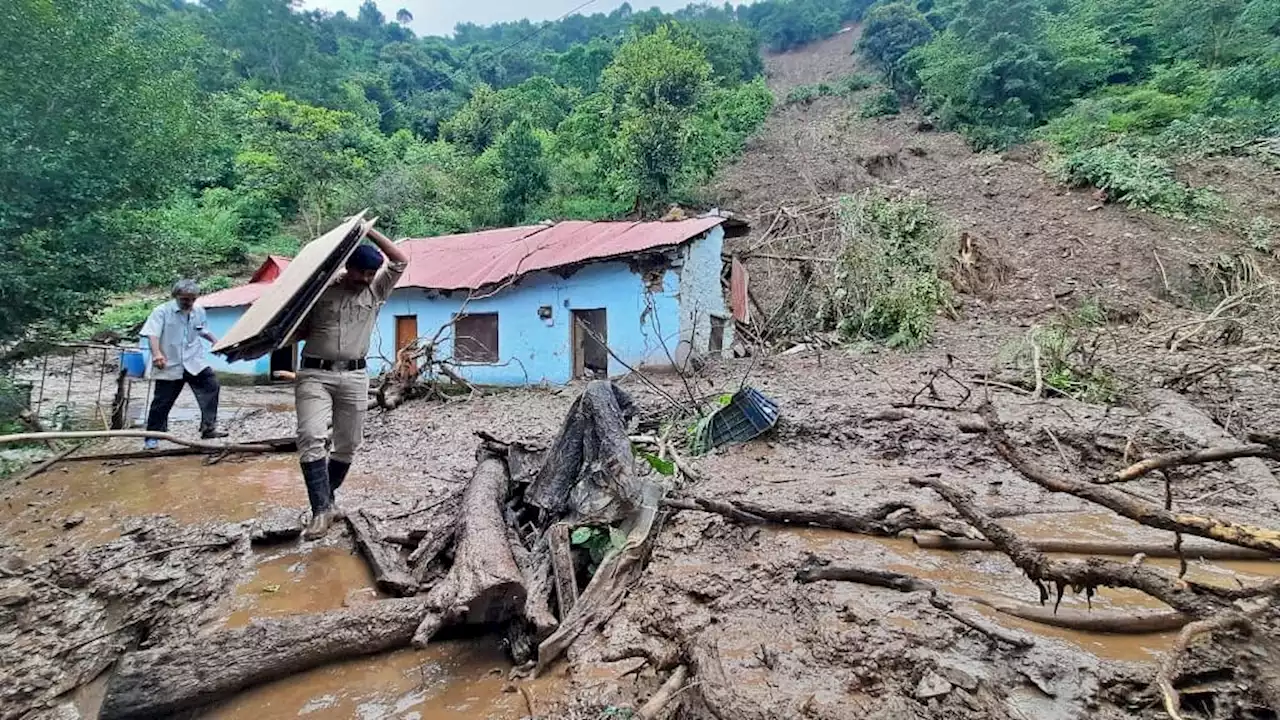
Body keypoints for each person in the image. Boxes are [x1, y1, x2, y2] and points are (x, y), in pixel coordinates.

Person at [294, 230, 408, 539]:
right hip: (314, 375)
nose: (366, 278)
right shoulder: (319, 290)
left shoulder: (376, 290)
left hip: (356, 377)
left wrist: (368, 230)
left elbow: (400, 260)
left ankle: (326, 500)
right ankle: (320, 511)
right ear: (348, 268)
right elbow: (296, 327)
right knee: (311, 436)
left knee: (347, 444)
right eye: (361, 272)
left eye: (371, 273)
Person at [140, 279, 227, 449]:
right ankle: (153, 436)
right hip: (169, 362)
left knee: (211, 385)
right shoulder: (161, 312)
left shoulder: (198, 311)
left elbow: (201, 329)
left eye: (192, 299)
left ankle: (208, 428)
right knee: (162, 401)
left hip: (194, 360)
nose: (189, 303)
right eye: (185, 299)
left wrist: (216, 342)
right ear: (176, 296)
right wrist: (157, 354)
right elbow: (152, 335)